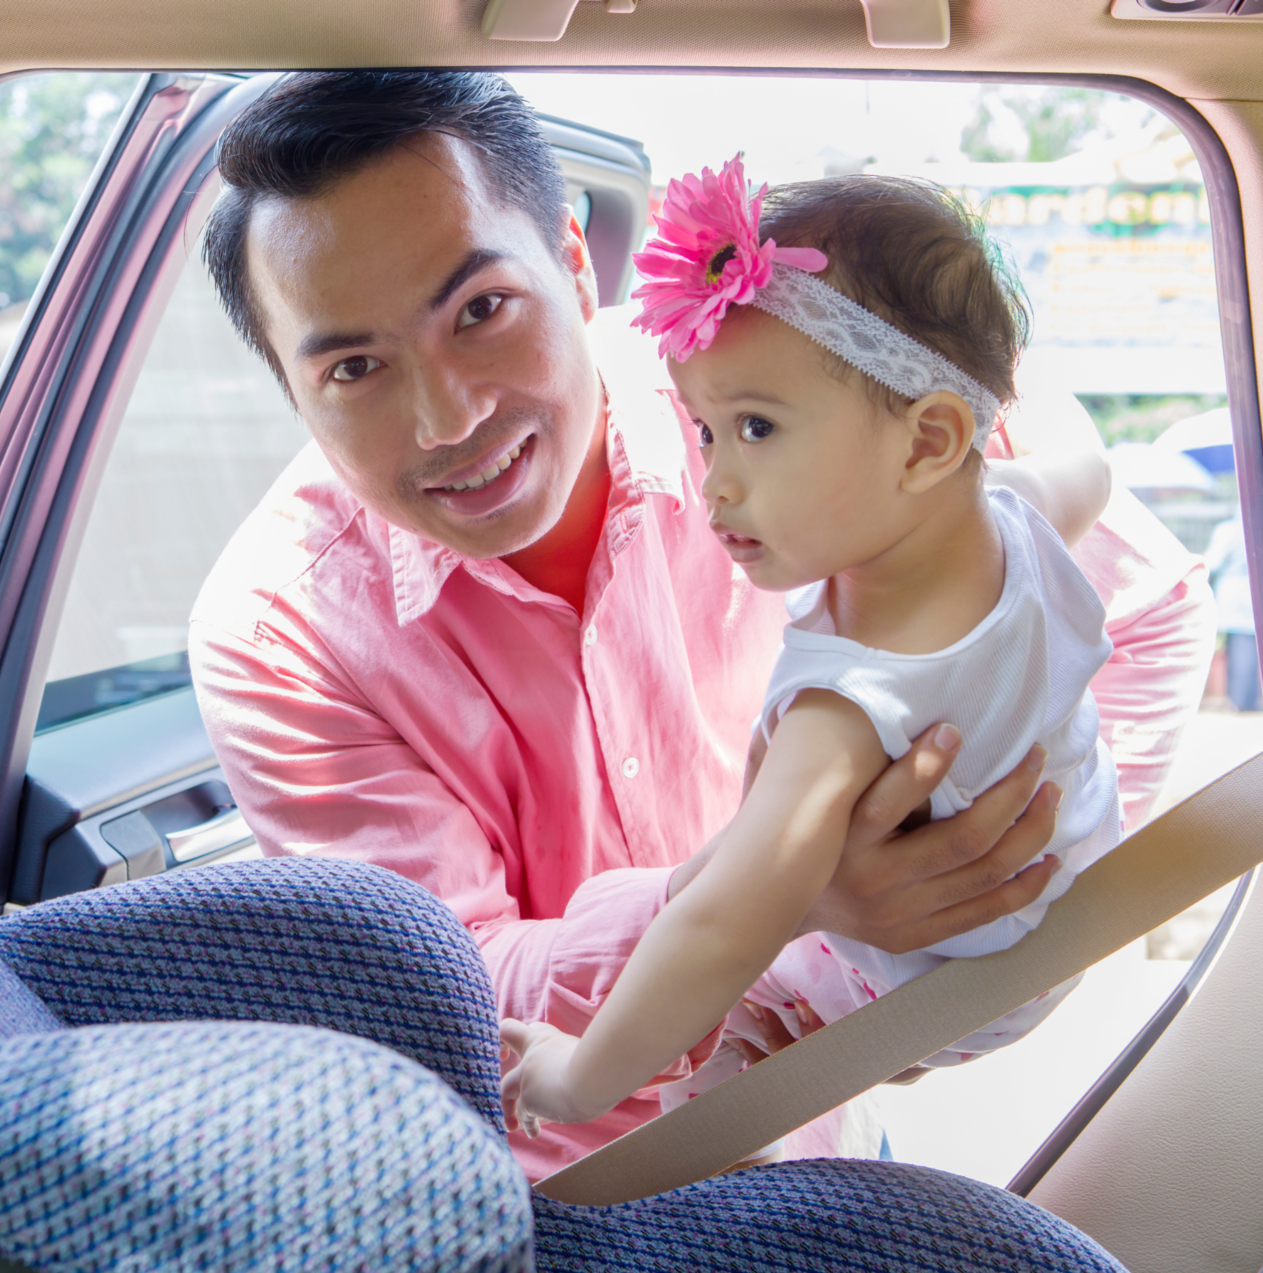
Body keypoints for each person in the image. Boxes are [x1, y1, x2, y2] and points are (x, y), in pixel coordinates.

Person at [187, 70, 1208, 1181]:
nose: (452, 415)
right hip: (548, 1200)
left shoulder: (784, 379)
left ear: (577, 266)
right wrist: (789, 893)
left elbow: (1147, 606)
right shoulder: (276, 629)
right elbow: (447, 984)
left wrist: (1002, 907)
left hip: (824, 1132)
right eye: (354, 368)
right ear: (291, 391)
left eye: (482, 311)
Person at [498, 163, 1120, 1133]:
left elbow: (720, 927)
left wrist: (581, 1078)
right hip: (1066, 918)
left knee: (725, 976)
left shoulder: (847, 706)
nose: (715, 484)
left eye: (756, 427)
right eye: (705, 432)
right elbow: (1092, 464)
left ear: (927, 442)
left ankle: (724, 1137)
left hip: (937, 983)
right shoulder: (1021, 515)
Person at [1205, 514, 1257, 711]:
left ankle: (1240, 700)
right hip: (1254, 592)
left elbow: (1213, 562)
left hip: (1235, 593)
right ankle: (1249, 698)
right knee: (1252, 646)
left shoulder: (1228, 529)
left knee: (1239, 647)